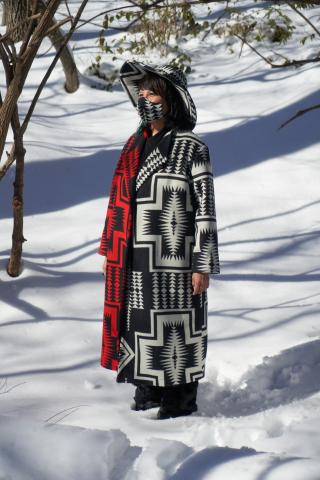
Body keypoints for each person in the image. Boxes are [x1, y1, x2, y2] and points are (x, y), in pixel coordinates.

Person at [98, 60, 220, 419]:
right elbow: (119, 201)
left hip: (176, 262)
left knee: (177, 330)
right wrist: (111, 247)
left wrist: (204, 264)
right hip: (135, 259)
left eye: (153, 90)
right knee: (138, 326)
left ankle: (179, 402)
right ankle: (147, 393)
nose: (145, 96)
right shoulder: (134, 145)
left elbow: (206, 210)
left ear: (172, 100)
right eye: (142, 90)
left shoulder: (191, 146)